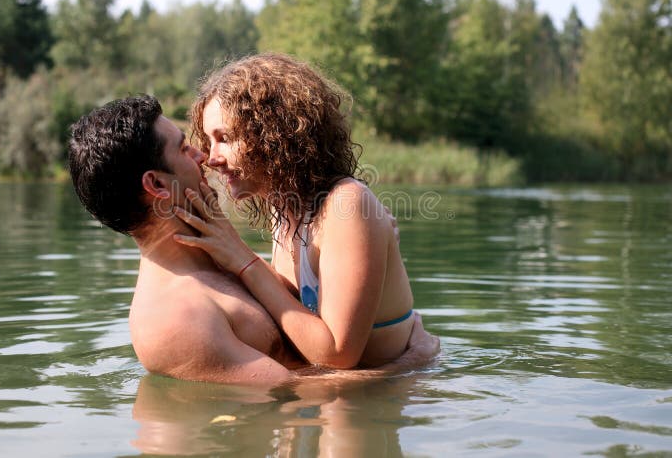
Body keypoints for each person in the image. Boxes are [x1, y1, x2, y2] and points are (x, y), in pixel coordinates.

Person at [68, 94, 437, 385]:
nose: (203, 157)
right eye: (183, 148)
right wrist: (414, 362)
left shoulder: (220, 258)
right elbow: (302, 397)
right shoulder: (172, 318)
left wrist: (369, 244)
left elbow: (319, 321)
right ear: (157, 185)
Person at [175, 53, 416, 369]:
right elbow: (294, 310)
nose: (211, 157)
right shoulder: (288, 209)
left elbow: (337, 356)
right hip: (333, 404)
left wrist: (242, 258)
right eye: (209, 140)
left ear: (275, 134)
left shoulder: (346, 205)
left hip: (371, 410)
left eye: (225, 138)